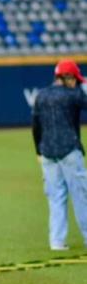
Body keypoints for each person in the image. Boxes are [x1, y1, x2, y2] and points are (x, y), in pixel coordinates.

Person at [32, 59, 87, 251]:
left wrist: (38, 151)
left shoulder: (41, 95)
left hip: (47, 152)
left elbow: (35, 126)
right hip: (69, 151)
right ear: (68, 77)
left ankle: (56, 241)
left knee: (55, 198)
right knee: (81, 196)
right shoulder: (73, 95)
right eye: (75, 79)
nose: (76, 83)